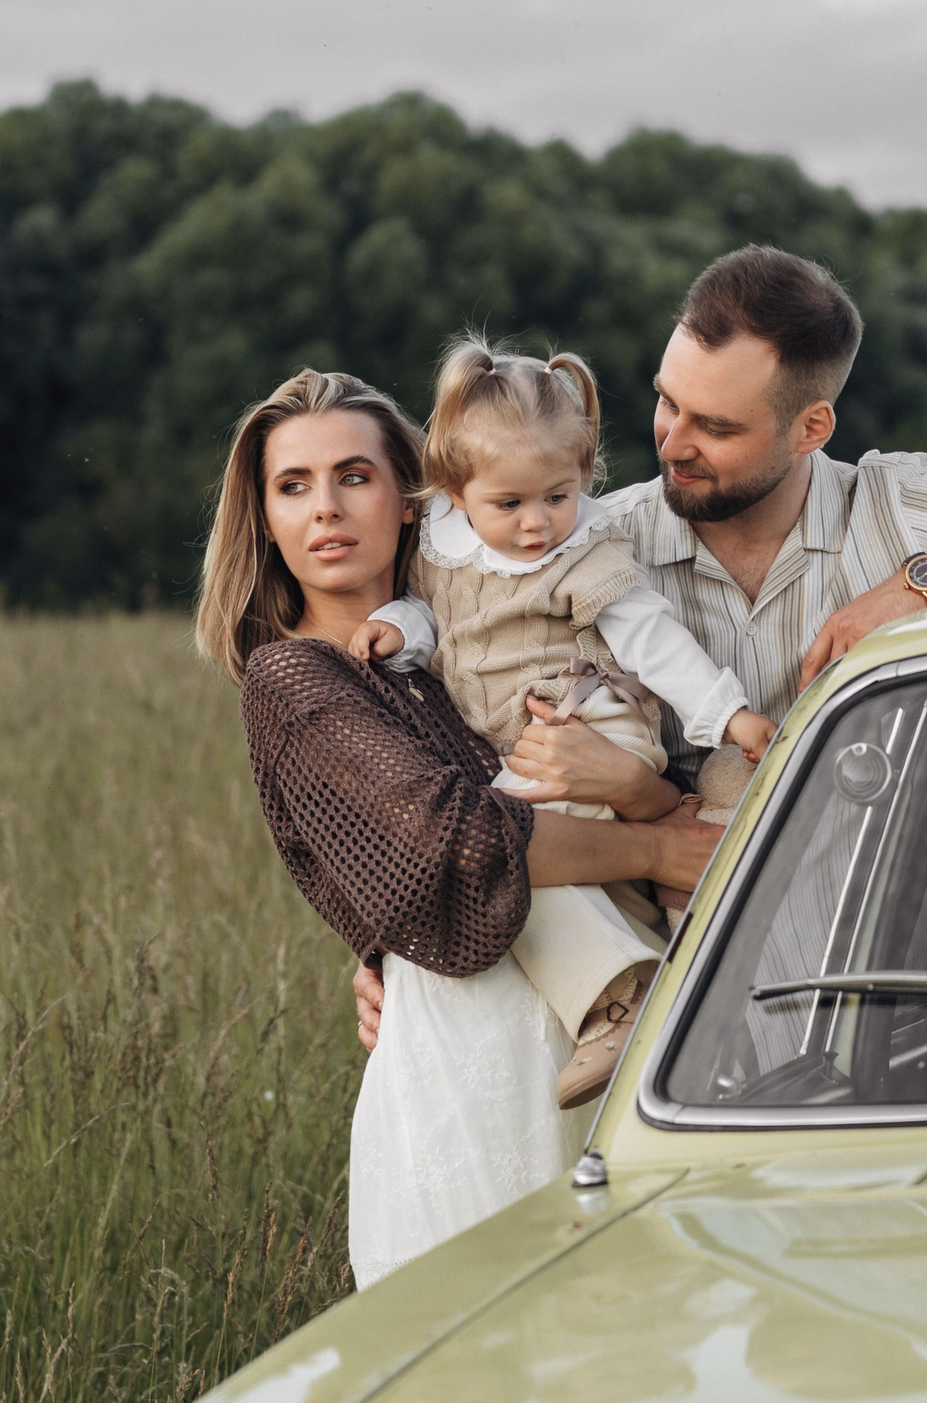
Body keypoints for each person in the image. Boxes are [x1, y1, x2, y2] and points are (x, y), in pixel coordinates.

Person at [354, 246, 927, 1051]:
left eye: (715, 426)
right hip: (685, 1037)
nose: (672, 442)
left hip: (904, 1016)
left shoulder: (893, 508)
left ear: (810, 426)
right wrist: (395, 952)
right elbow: (469, 757)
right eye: (667, 402)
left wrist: (919, 584)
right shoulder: (592, 543)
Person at [194, 366, 720, 1288]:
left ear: (414, 499)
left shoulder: (469, 638)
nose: (326, 509)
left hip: (600, 1021)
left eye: (354, 476)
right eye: (293, 487)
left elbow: (608, 777)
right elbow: (462, 839)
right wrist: (658, 845)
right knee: (495, 1325)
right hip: (468, 1048)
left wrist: (642, 798)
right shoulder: (298, 678)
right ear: (266, 519)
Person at [348, 333, 777, 1106]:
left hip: (594, 720)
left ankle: (619, 1003)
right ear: (455, 493)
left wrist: (731, 715)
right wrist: (397, 630)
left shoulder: (586, 553)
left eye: (557, 495)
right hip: (525, 745)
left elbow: (654, 642)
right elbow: (433, 616)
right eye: (509, 505)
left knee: (505, 853)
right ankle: (675, 988)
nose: (536, 524)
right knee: (555, 867)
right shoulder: (441, 548)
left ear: (582, 473)